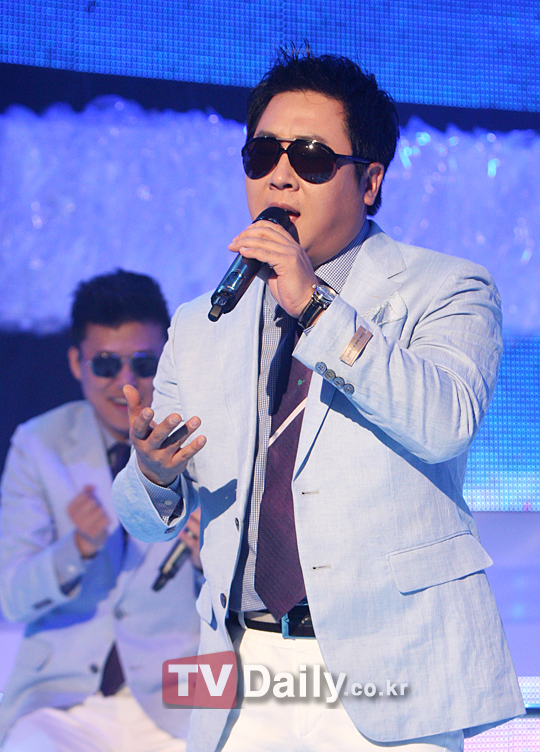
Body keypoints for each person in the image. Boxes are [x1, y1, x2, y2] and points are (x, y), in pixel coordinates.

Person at [112, 51, 525, 752]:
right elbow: (144, 523)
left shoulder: (448, 287)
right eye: (262, 154)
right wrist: (151, 476)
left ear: (370, 181)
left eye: (309, 157)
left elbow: (445, 422)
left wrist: (314, 304)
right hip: (243, 674)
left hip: (391, 671)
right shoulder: (203, 320)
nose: (280, 176)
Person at [0, 270, 201, 752]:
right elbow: (11, 598)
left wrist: (207, 562)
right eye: (107, 364)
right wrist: (77, 548)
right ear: (76, 362)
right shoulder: (38, 444)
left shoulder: (203, 441)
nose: (126, 384)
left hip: (185, 696)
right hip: (63, 701)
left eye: (144, 363)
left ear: (169, 357)